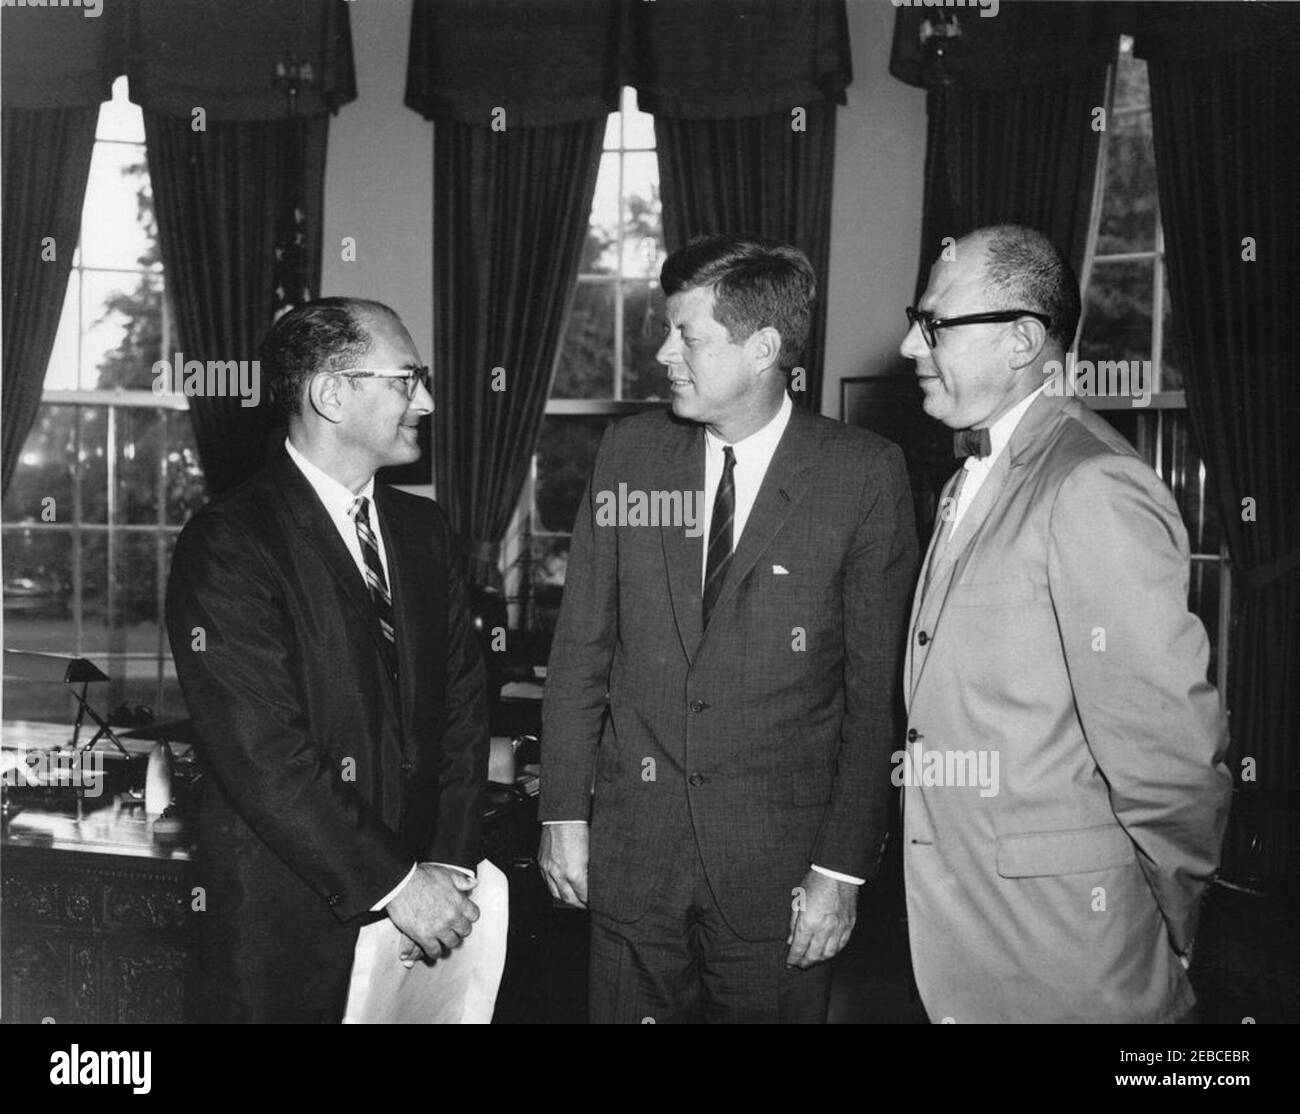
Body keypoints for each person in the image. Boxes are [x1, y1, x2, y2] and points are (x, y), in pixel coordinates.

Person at [538, 233, 918, 1023]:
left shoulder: (863, 474)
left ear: (764, 349)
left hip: (777, 877)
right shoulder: (629, 454)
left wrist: (840, 871)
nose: (662, 354)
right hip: (633, 860)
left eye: (688, 335)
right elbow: (580, 653)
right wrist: (563, 814)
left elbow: (874, 696)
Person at [899, 225, 1232, 1023]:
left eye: (934, 323)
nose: (910, 343)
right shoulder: (966, 481)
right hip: (966, 940)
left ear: (1022, 340)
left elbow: (1169, 754)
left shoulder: (1094, 484)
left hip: (1069, 963)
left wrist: (1175, 924)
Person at [166, 297, 489, 1023]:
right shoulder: (229, 542)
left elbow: (465, 707)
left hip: (427, 921)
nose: (427, 402)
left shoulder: (423, 529)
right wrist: (397, 883)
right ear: (331, 393)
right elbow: (264, 752)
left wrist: (445, 860)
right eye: (407, 380)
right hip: (284, 933)